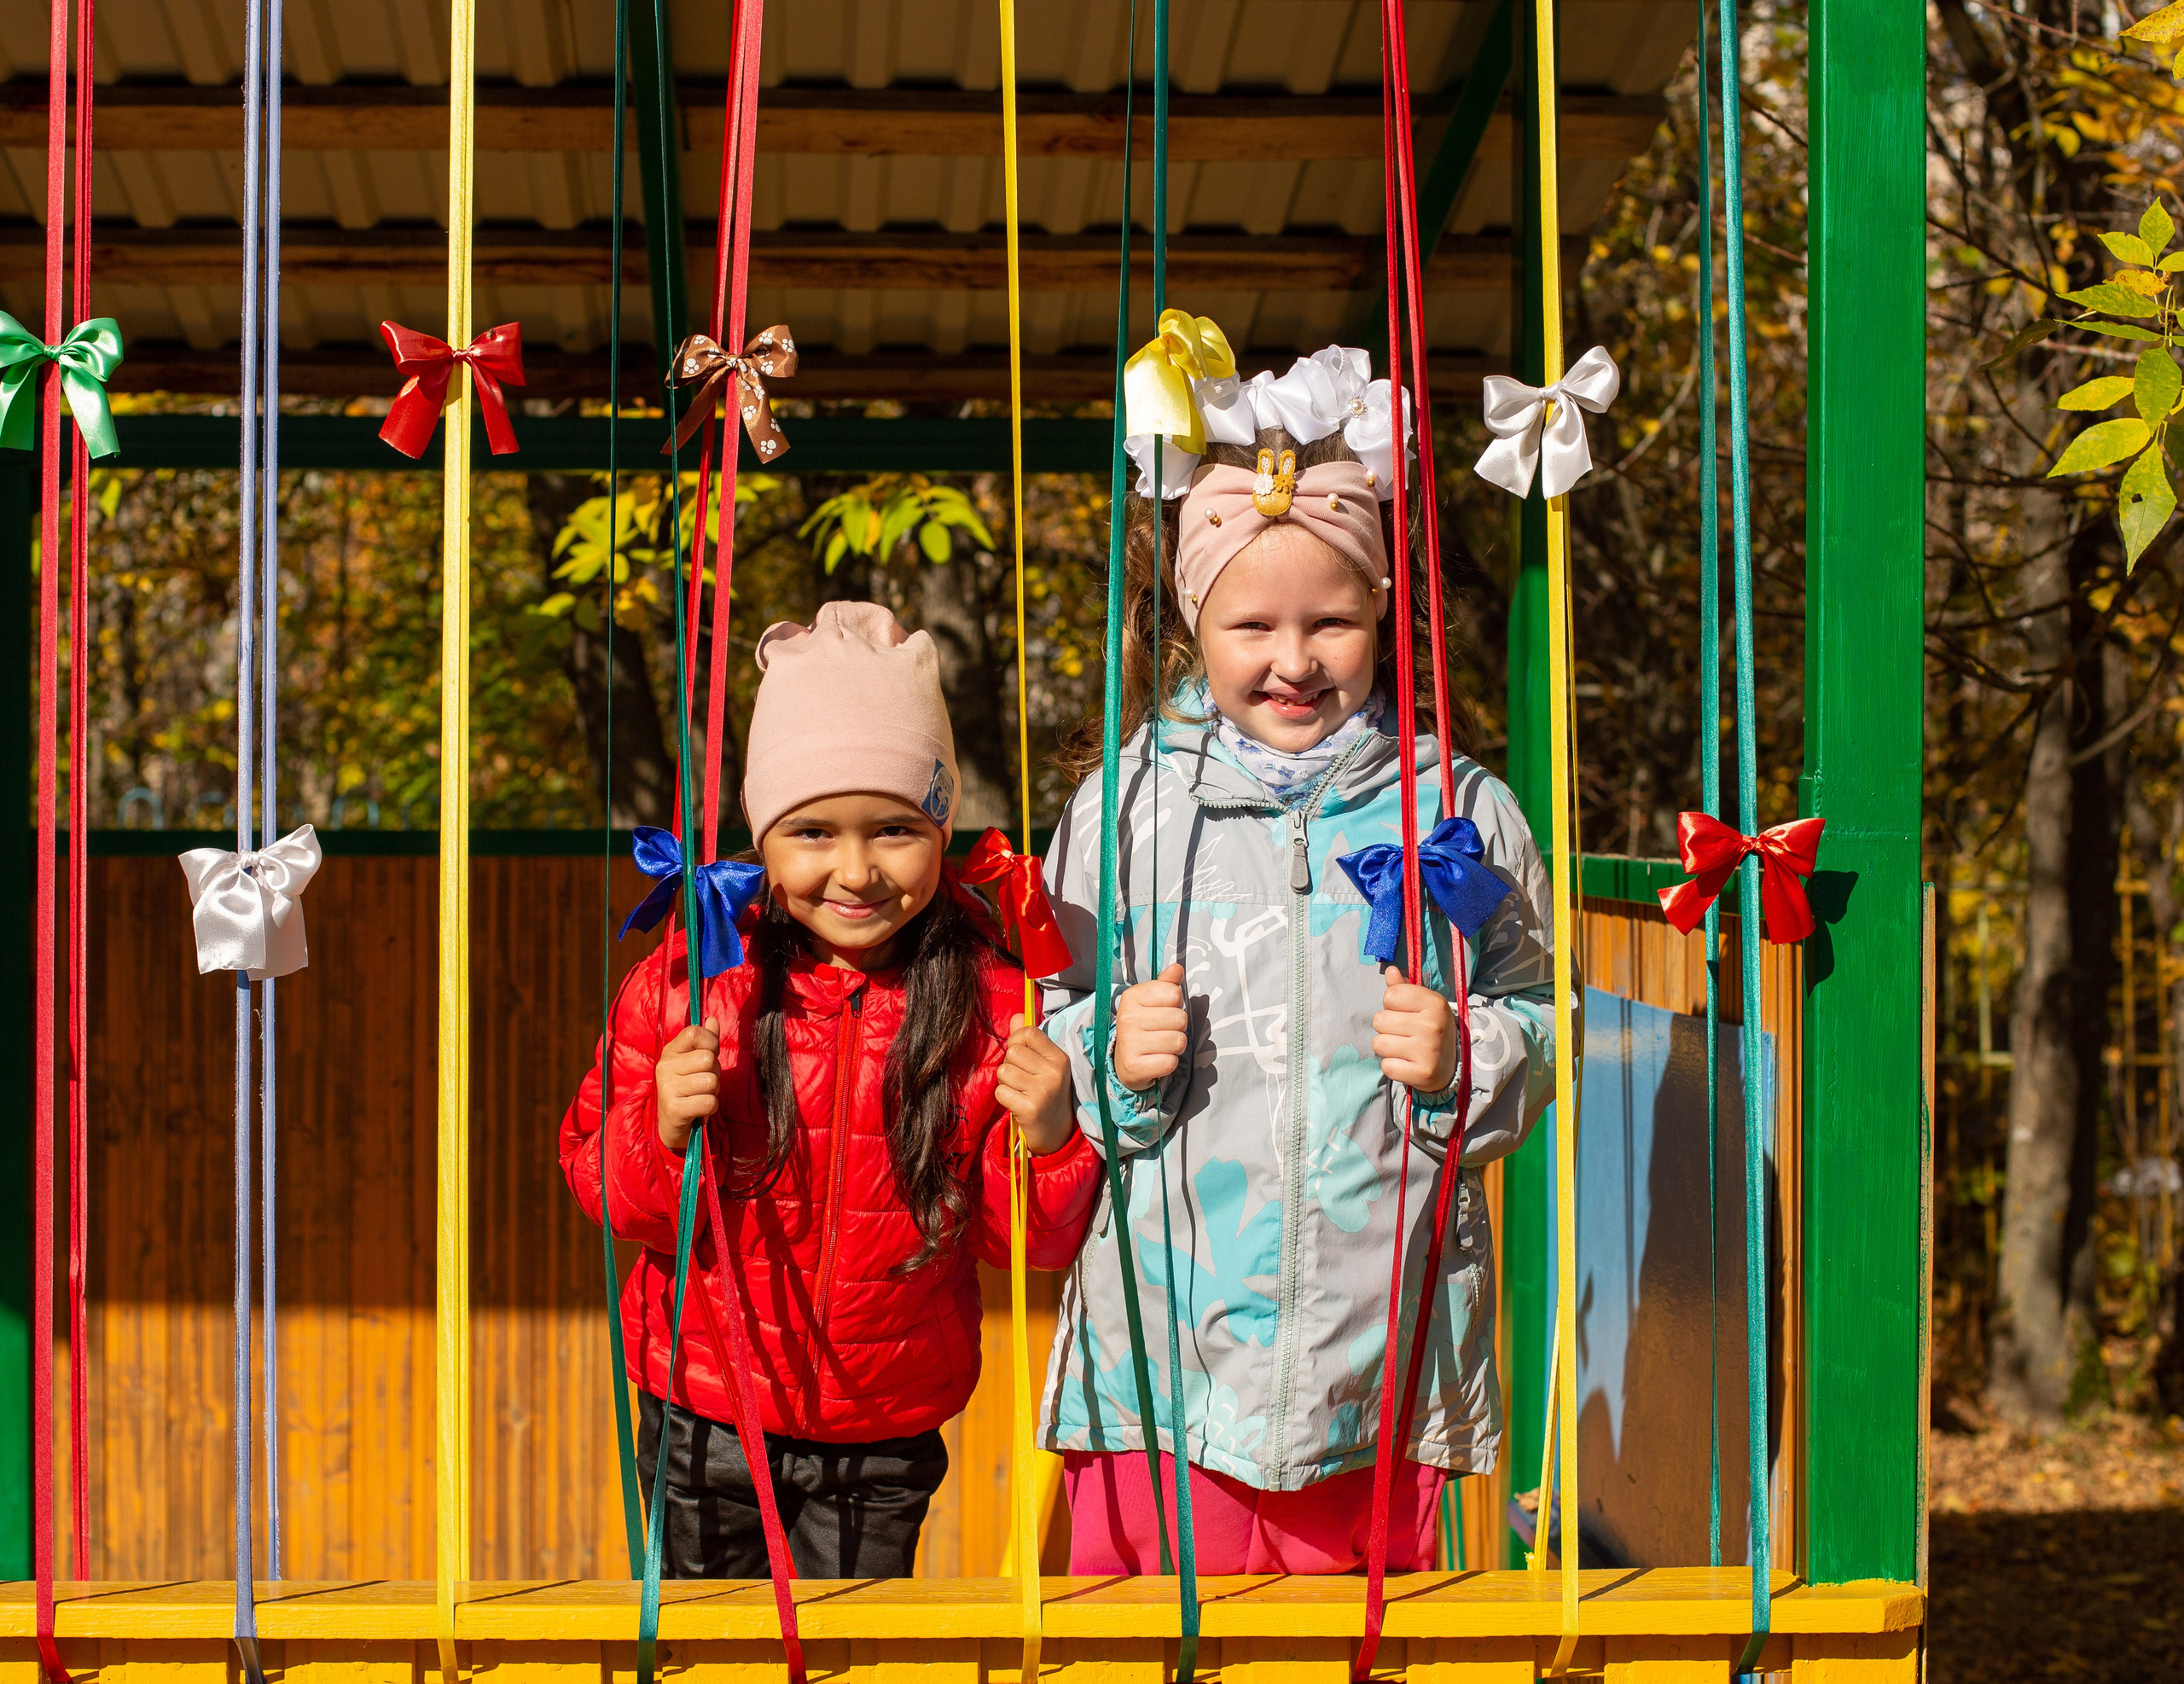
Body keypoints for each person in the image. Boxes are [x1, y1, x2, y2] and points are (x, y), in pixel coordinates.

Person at [1039, 342, 1556, 1575]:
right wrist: (1104, 1050)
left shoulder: (1458, 809)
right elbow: (1046, 1025)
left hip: (1378, 1362)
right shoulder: (1127, 811)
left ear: (1384, 613)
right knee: (1153, 1650)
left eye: (1333, 620)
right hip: (1161, 1363)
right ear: (1191, 621)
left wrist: (1466, 1053)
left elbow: (1541, 1011)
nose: (1294, 658)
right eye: (1251, 623)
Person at [561, 601, 1102, 1580]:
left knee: (852, 1652)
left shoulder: (992, 1000)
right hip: (701, 1403)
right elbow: (615, 1197)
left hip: (886, 1422)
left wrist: (1055, 1138)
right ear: (762, 839)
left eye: (894, 829)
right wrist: (662, 1130)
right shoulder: (692, 982)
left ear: (940, 832)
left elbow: (1023, 1243)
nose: (855, 872)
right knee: (705, 1655)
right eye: (811, 831)